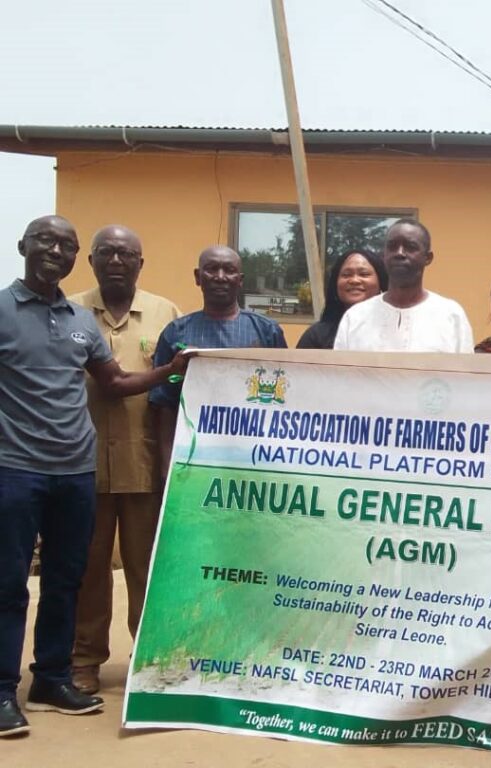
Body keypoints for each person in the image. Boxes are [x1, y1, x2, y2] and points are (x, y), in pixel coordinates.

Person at [0, 216, 189, 738]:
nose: (54, 250)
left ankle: (52, 677)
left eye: (65, 244)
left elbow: (116, 381)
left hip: (79, 471)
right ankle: (6, 689)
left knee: (68, 579)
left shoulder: (78, 320)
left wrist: (176, 368)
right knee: (11, 584)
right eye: (45, 241)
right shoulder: (7, 309)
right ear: (23, 246)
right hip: (16, 470)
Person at [67, 227, 181, 697]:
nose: (116, 260)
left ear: (140, 263)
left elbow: (179, 388)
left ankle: (148, 659)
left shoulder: (166, 313)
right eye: (107, 252)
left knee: (147, 569)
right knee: (88, 570)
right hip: (81, 464)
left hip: (144, 464)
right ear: (91, 260)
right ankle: (84, 660)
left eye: (126, 253)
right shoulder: (68, 311)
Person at [150, 245, 286, 479]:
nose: (220, 277)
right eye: (212, 269)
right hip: (194, 457)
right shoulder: (176, 333)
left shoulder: (266, 331)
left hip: (254, 458)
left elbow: (286, 401)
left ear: (240, 280)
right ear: (197, 277)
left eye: (229, 270)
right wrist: (166, 468)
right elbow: (165, 407)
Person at [333, 219, 473, 352]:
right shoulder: (355, 317)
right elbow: (338, 369)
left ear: (428, 258)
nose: (399, 253)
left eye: (411, 247)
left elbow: (465, 368)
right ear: (383, 255)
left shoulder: (451, 315)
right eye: (392, 247)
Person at [296, 249, 388, 349]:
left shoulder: (394, 330)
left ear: (381, 282)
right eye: (346, 275)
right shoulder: (316, 337)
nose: (354, 280)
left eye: (364, 274)